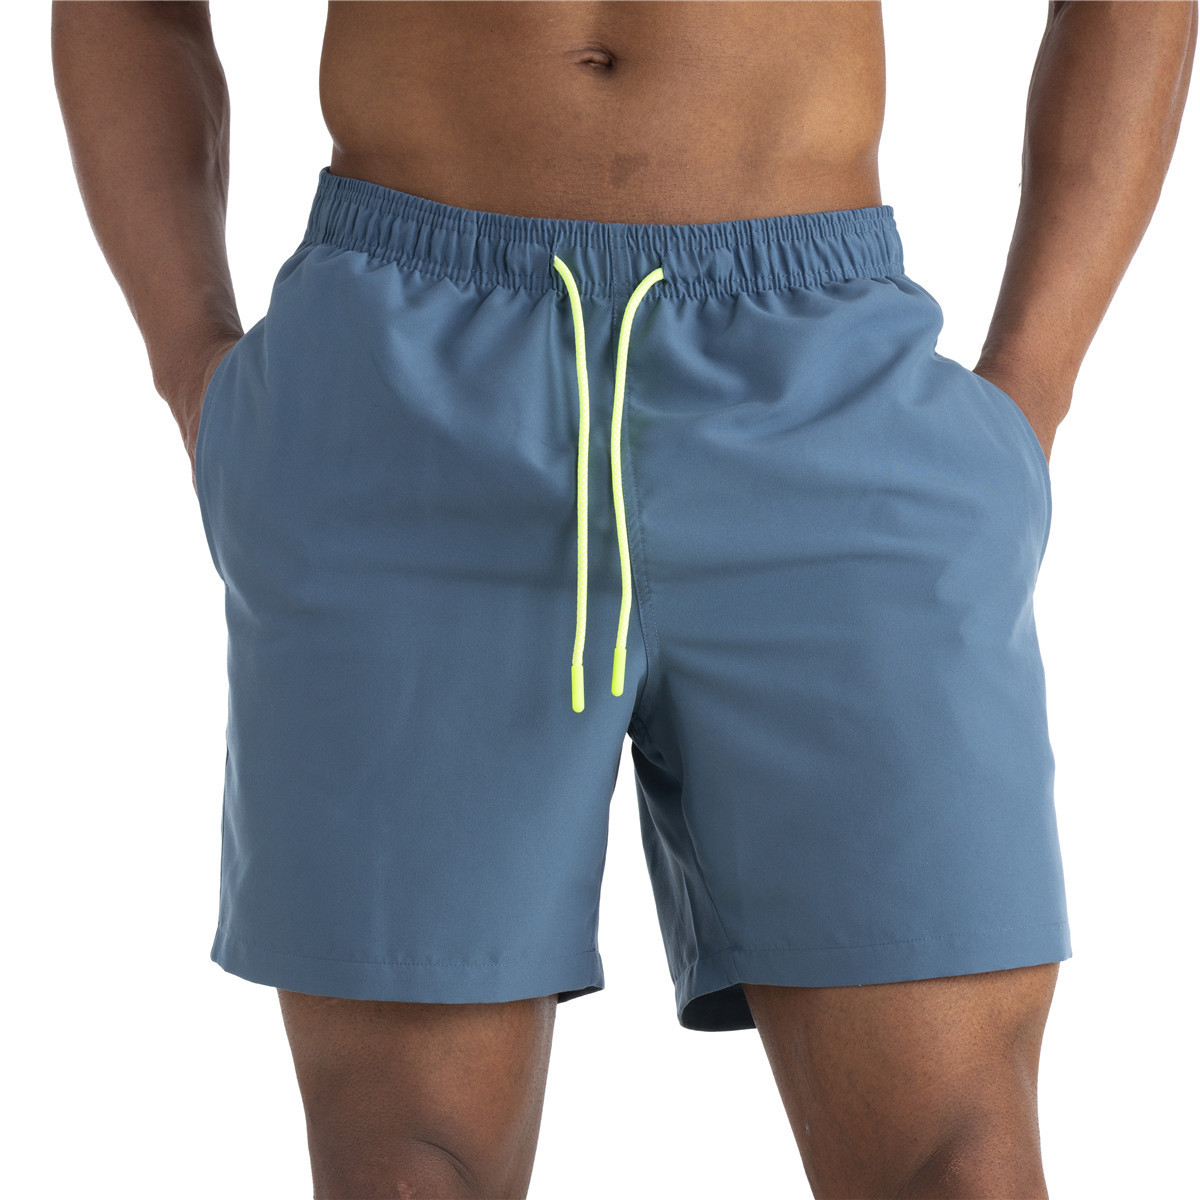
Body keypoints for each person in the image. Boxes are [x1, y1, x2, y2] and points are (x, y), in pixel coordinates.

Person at [51, 2, 1196, 1197]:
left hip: (827, 391)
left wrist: (1034, 387)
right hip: (402, 397)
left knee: (956, 1163)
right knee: (403, 1167)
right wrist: (190, 363)